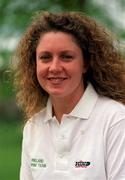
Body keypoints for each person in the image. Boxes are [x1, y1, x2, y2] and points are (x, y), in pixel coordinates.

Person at [13, 11, 125, 180]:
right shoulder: (33, 127)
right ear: (34, 64)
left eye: (66, 57)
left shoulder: (115, 120)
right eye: (45, 57)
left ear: (86, 63)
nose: (54, 67)